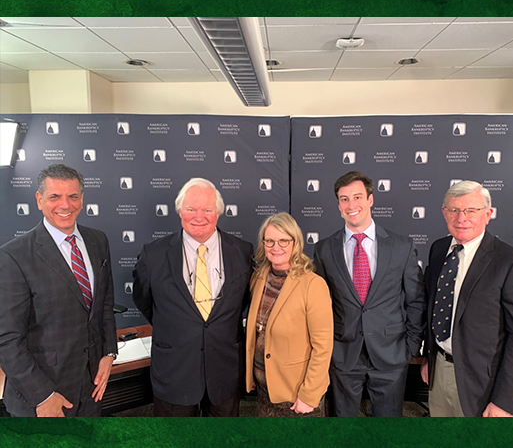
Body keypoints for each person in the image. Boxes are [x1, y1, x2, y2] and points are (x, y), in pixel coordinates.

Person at [0, 164, 117, 417]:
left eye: (73, 196)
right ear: (39, 200)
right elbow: (7, 339)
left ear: (82, 199)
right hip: (42, 398)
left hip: (90, 392)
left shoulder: (98, 241)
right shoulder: (13, 255)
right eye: (55, 197)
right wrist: (43, 395)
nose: (65, 205)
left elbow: (105, 305)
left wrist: (109, 353)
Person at [133, 177, 254, 417]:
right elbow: (145, 302)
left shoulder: (242, 251)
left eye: (207, 209)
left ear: (218, 212)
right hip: (174, 371)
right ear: (180, 211)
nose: (199, 216)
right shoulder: (153, 254)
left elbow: (243, 302)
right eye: (191, 209)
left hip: (224, 371)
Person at [314, 171, 426, 417]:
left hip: (391, 353)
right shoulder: (324, 249)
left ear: (370, 199)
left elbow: (415, 300)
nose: (351, 205)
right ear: (338, 205)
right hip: (343, 355)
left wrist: (411, 346)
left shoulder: (401, 246)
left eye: (357, 197)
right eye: (344, 199)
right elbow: (319, 306)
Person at [421, 180, 513, 417]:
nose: (461, 218)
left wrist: (505, 401)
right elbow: (434, 306)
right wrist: (428, 358)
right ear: (444, 213)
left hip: (484, 384)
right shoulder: (439, 249)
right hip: (438, 372)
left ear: (488, 214)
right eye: (454, 210)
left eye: (471, 210)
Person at [245, 212, 333, 417]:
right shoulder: (259, 278)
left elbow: (323, 346)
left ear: (296, 242)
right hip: (265, 391)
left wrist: (309, 395)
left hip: (296, 396)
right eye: (270, 241)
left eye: (284, 241)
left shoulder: (312, 284)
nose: (276, 247)